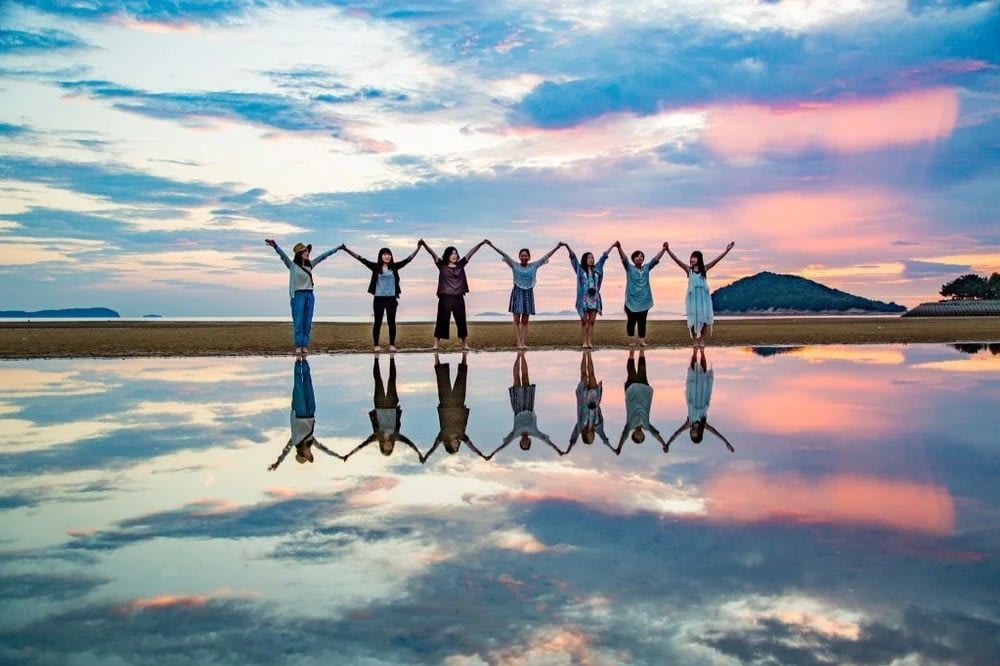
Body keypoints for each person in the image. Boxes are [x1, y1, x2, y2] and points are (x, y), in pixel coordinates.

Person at [338, 243, 421, 352]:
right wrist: (346, 249)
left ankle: (392, 345)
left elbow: (408, 260)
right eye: (384, 254)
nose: (387, 256)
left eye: (389, 254)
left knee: (392, 322)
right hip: (379, 299)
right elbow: (360, 258)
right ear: (380, 256)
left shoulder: (394, 267)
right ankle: (376, 345)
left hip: (391, 298)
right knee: (378, 322)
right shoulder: (375, 267)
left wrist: (418, 248)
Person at [340, 356, 423, 461]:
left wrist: (349, 454)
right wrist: (419, 453)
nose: (388, 447)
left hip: (379, 405)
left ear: (382, 446)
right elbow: (409, 443)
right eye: (390, 449)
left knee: (377, 380)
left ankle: (376, 359)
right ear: (392, 447)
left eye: (386, 449)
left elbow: (362, 445)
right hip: (392, 404)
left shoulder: (377, 436)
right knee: (392, 379)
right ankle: (392, 358)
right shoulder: (395, 436)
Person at [264, 238, 339, 355]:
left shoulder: (310, 264)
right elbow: (283, 257)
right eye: (304, 251)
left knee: (307, 322)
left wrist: (337, 249)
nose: (307, 253)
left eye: (307, 251)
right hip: (298, 295)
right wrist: (275, 247)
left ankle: (305, 345)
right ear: (299, 254)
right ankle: (299, 345)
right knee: (298, 322)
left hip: (309, 294)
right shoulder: (293, 266)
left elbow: (323, 256)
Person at [267, 357, 344, 470]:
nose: (310, 453)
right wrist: (339, 456)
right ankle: (305, 360)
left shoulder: (295, 440)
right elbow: (324, 449)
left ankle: (299, 361)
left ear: (301, 452)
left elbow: (286, 451)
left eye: (307, 455)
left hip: (299, 412)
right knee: (308, 382)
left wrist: (278, 463)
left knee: (298, 384)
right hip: (310, 412)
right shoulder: (311, 441)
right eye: (309, 455)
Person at [485, 240, 563, 349]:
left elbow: (545, 257)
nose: (524, 257)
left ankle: (523, 342)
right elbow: (504, 254)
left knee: (525, 321)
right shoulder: (515, 265)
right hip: (517, 293)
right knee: (517, 320)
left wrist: (557, 247)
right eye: (522, 255)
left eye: (526, 255)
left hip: (528, 293)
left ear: (529, 257)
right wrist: (491, 245)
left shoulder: (534, 265)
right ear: (519, 257)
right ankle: (518, 342)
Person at [487, 351, 562, 459]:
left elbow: (504, 445)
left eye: (523, 444)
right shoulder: (534, 432)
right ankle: (522, 355)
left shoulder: (515, 434)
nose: (525, 441)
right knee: (526, 378)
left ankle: (518, 356)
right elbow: (547, 441)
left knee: (516, 379)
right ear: (529, 441)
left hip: (517, 406)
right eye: (527, 443)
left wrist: (493, 453)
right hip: (528, 404)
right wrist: (557, 449)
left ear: (521, 442)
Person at [419, 239, 488, 350]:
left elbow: (471, 253)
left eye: (455, 253)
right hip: (445, 297)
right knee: (441, 320)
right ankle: (436, 344)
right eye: (452, 253)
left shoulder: (460, 265)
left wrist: (481, 243)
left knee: (461, 321)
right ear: (447, 255)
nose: (454, 255)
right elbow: (432, 253)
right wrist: (424, 245)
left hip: (458, 297)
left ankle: (464, 344)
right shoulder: (442, 265)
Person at [664, 241, 735, 347]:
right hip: (692, 298)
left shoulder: (704, 269)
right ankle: (694, 341)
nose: (692, 259)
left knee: (704, 319)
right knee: (693, 318)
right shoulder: (688, 269)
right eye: (692, 257)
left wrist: (727, 250)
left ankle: (702, 340)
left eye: (695, 257)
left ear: (699, 259)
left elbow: (716, 260)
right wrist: (668, 250)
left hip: (703, 298)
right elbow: (677, 260)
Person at [664, 347, 734, 453]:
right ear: (699, 434)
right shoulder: (703, 424)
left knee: (692, 374)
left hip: (692, 396)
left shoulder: (689, 423)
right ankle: (702, 352)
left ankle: (695, 352)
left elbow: (676, 433)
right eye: (695, 436)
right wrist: (726, 443)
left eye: (692, 436)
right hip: (702, 396)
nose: (693, 434)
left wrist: (668, 443)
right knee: (703, 376)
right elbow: (715, 432)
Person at [422, 351, 489, 461]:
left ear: (449, 445)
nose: (456, 444)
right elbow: (471, 446)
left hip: (446, 404)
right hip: (459, 404)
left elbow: (433, 448)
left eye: (454, 447)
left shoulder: (442, 436)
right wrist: (481, 455)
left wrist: (427, 456)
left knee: (442, 380)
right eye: (457, 446)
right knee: (462, 379)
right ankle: (464, 356)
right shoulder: (462, 436)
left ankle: (436, 356)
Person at [613, 240, 668, 347]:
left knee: (642, 321)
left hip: (644, 300)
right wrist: (619, 248)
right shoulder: (629, 268)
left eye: (641, 256)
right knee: (631, 321)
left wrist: (664, 250)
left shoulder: (646, 267)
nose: (639, 258)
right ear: (633, 259)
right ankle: (631, 341)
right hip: (631, 300)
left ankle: (642, 341)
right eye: (637, 256)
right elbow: (624, 259)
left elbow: (655, 259)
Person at [565, 243, 615, 348]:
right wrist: (567, 246)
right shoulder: (580, 269)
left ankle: (589, 342)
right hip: (583, 298)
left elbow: (604, 257)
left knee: (592, 321)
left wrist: (613, 246)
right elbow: (573, 258)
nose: (591, 259)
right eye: (589, 258)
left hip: (594, 298)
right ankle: (584, 342)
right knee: (584, 321)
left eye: (592, 258)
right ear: (585, 259)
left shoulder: (597, 268)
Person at [617, 348, 667, 451]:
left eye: (638, 437)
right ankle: (641, 350)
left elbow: (624, 436)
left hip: (632, 391)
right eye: (642, 437)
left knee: (631, 371)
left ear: (634, 435)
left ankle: (631, 352)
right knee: (642, 368)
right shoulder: (647, 426)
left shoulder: (630, 425)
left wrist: (620, 447)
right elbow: (655, 434)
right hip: (644, 391)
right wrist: (663, 443)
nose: (640, 435)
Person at [568, 349, 610, 451]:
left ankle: (584, 354)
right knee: (592, 374)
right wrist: (614, 449)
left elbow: (573, 438)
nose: (591, 436)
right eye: (592, 438)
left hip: (584, 398)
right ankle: (589, 354)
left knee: (584, 375)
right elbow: (605, 439)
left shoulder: (581, 426)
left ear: (585, 436)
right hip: (594, 398)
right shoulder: (598, 427)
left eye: (589, 438)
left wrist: (568, 449)